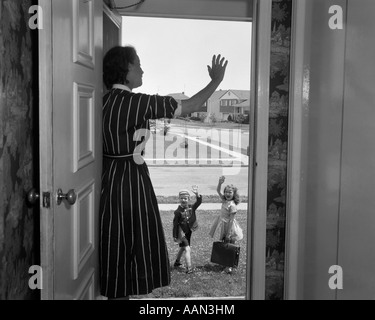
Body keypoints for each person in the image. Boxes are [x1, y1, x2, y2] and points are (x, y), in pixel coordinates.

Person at [99, 45, 228, 299]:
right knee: (134, 246)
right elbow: (188, 106)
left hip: (109, 181)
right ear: (126, 69)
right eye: (138, 64)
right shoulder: (136, 102)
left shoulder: (103, 102)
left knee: (116, 248)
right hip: (131, 184)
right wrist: (216, 81)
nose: (142, 69)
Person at [209, 176, 243, 273]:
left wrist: (228, 233)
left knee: (231, 244)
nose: (227, 194)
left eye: (230, 192)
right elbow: (218, 191)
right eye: (226, 192)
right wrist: (220, 183)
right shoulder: (225, 200)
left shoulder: (232, 205)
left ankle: (230, 266)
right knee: (225, 243)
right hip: (224, 224)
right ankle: (226, 263)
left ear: (234, 194)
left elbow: (231, 220)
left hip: (230, 227)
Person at [172, 186, 202, 274]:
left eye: (185, 198)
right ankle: (189, 268)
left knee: (182, 248)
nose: (183, 200)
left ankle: (177, 262)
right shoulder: (177, 212)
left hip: (188, 232)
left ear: (188, 199)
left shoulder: (191, 207)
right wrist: (175, 236)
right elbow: (175, 224)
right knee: (188, 249)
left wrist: (197, 194)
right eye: (181, 198)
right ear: (179, 199)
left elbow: (199, 202)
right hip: (181, 233)